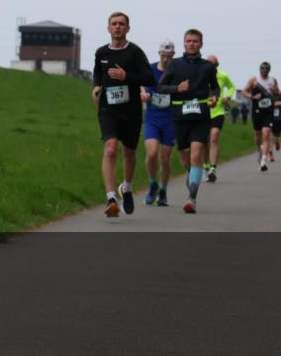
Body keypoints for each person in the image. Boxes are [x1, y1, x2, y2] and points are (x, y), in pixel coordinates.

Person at [92, 12, 155, 217]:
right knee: (110, 149)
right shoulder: (101, 53)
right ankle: (111, 198)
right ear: (108, 28)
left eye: (121, 24)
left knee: (129, 153)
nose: (117, 27)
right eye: (114, 24)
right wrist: (96, 87)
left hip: (131, 111)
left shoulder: (135, 52)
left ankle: (126, 188)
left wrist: (126, 76)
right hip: (108, 109)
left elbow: (149, 78)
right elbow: (97, 74)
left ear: (128, 28)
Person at [155, 29, 219, 213]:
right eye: (189, 41)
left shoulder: (208, 66)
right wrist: (177, 88)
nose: (192, 44)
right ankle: (192, 175)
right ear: (184, 44)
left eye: (195, 41)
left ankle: (192, 198)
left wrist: (214, 97)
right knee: (184, 156)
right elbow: (160, 87)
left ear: (201, 44)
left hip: (201, 116)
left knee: (197, 154)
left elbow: (215, 88)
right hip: (180, 116)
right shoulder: (174, 65)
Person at [140, 40, 176, 206]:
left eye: (169, 56)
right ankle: (153, 183)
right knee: (152, 153)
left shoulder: (176, 72)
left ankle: (163, 191)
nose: (166, 59)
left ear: (173, 56)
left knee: (165, 157)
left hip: (170, 118)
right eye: (164, 55)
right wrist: (143, 93)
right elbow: (142, 84)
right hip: (153, 117)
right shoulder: (151, 69)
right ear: (159, 54)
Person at [243, 62, 280, 172]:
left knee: (266, 133)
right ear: (260, 70)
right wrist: (252, 96)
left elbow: (277, 92)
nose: (264, 71)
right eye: (262, 69)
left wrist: (275, 91)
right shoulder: (254, 80)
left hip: (268, 110)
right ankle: (259, 152)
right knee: (258, 135)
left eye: (266, 70)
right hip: (257, 110)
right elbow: (244, 91)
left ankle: (264, 160)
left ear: (269, 70)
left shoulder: (273, 80)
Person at [203, 54, 234, 183]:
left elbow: (231, 86)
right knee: (204, 142)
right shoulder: (201, 75)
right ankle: (206, 167)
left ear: (217, 65)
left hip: (218, 111)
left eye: (213, 65)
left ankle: (213, 169)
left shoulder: (222, 76)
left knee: (214, 137)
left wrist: (228, 96)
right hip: (204, 111)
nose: (210, 67)